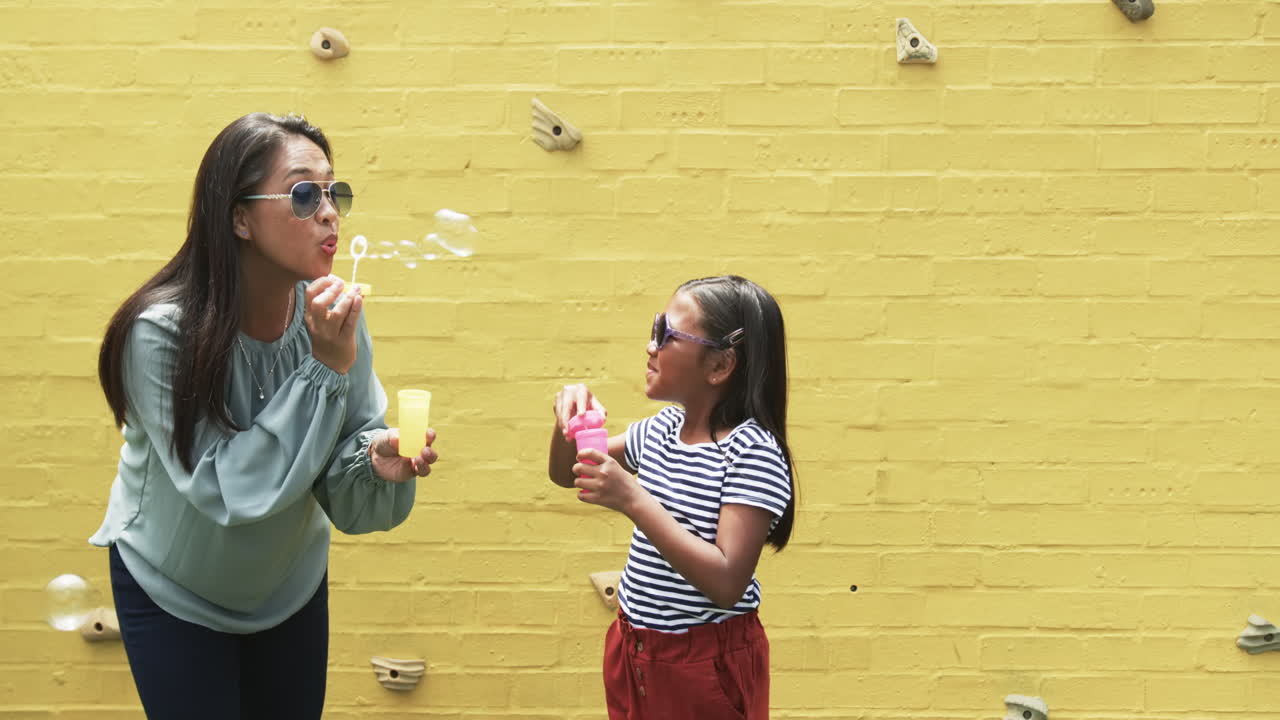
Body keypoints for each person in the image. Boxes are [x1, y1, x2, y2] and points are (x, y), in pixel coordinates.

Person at [91, 112, 438, 719]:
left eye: (334, 192)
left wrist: (372, 459)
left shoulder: (330, 320)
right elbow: (225, 487)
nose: (329, 213)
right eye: (304, 194)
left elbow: (339, 460)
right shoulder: (160, 335)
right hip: (174, 590)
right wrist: (324, 367)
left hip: (287, 587)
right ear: (239, 218)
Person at [548, 275, 796, 720]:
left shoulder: (751, 451)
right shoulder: (661, 429)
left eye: (666, 334)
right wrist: (570, 422)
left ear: (719, 365)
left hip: (706, 664)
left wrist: (633, 499)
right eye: (655, 327)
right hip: (635, 648)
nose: (651, 346)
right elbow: (570, 473)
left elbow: (726, 583)